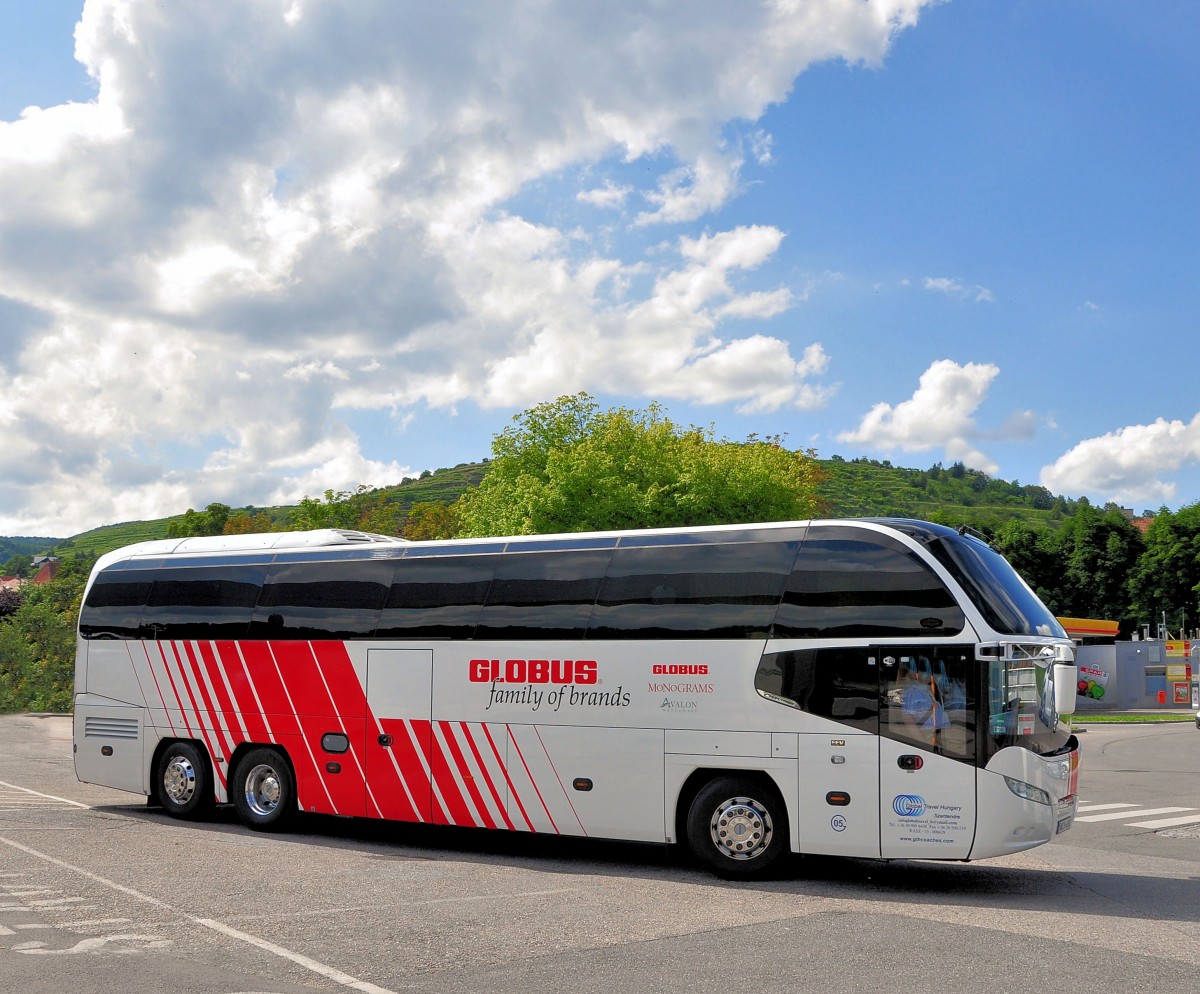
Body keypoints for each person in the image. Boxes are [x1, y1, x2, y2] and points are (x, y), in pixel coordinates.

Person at [898, 662, 950, 748]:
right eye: (923, 671)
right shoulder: (914, 691)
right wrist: (922, 743)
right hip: (928, 737)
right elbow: (908, 719)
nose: (928, 675)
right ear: (913, 673)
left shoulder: (925, 690)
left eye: (929, 671)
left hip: (935, 736)